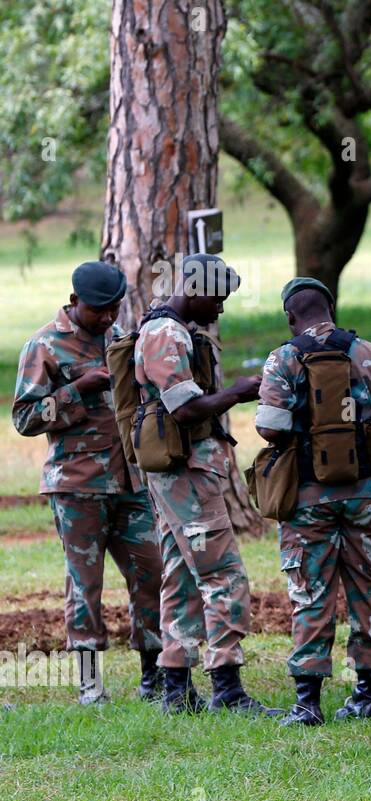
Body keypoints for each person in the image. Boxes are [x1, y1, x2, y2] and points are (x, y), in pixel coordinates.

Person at [132, 253, 278, 716]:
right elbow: (184, 408)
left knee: (179, 575)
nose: (220, 307)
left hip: (187, 471)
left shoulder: (179, 331)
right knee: (222, 574)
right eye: (217, 297)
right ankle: (228, 688)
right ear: (194, 287)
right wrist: (238, 392)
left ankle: (176, 688)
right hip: (185, 473)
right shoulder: (165, 334)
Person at [12, 261, 163, 703]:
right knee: (85, 585)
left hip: (131, 482)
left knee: (151, 574)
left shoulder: (120, 341)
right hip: (76, 485)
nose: (108, 318)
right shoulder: (44, 346)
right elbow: (24, 418)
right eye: (99, 310)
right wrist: (77, 390)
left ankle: (154, 677)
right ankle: (90, 684)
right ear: (75, 302)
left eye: (114, 308)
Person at [256, 277, 371, 726]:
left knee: (311, 593)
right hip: (366, 494)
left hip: (307, 497)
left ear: (290, 316)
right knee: (369, 589)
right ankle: (368, 693)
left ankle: (308, 701)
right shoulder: (370, 353)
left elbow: (270, 427)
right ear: (331, 307)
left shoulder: (283, 358)